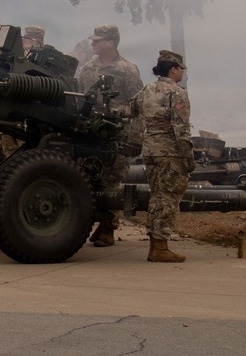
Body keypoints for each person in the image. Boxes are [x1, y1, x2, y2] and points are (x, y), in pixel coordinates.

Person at [77, 24, 143, 247]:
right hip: (91, 134)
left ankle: (108, 229)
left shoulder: (127, 70)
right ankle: (95, 222)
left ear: (111, 43)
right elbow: (80, 100)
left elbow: (138, 105)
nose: (92, 44)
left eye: (97, 40)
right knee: (89, 178)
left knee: (112, 181)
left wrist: (135, 139)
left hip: (119, 135)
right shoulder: (87, 69)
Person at [125, 50, 195, 263]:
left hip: (150, 151)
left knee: (157, 196)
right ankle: (161, 246)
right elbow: (180, 129)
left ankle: (155, 245)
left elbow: (129, 110)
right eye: (180, 69)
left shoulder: (148, 89)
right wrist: (189, 158)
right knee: (169, 198)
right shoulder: (177, 93)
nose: (182, 72)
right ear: (173, 69)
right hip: (170, 153)